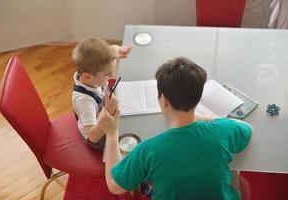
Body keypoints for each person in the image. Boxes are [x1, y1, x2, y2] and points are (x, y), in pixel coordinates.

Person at [98, 57, 252, 199]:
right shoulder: (222, 129)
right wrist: (201, 118)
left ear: (163, 100)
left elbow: (114, 186)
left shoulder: (148, 150)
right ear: (198, 98)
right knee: (232, 168)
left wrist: (111, 134)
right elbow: (246, 127)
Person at [72, 38, 131, 151]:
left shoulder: (92, 78)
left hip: (103, 111)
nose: (112, 75)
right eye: (107, 74)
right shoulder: (84, 101)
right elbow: (93, 136)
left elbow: (113, 48)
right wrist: (109, 111)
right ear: (87, 76)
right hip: (98, 137)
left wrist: (119, 50)